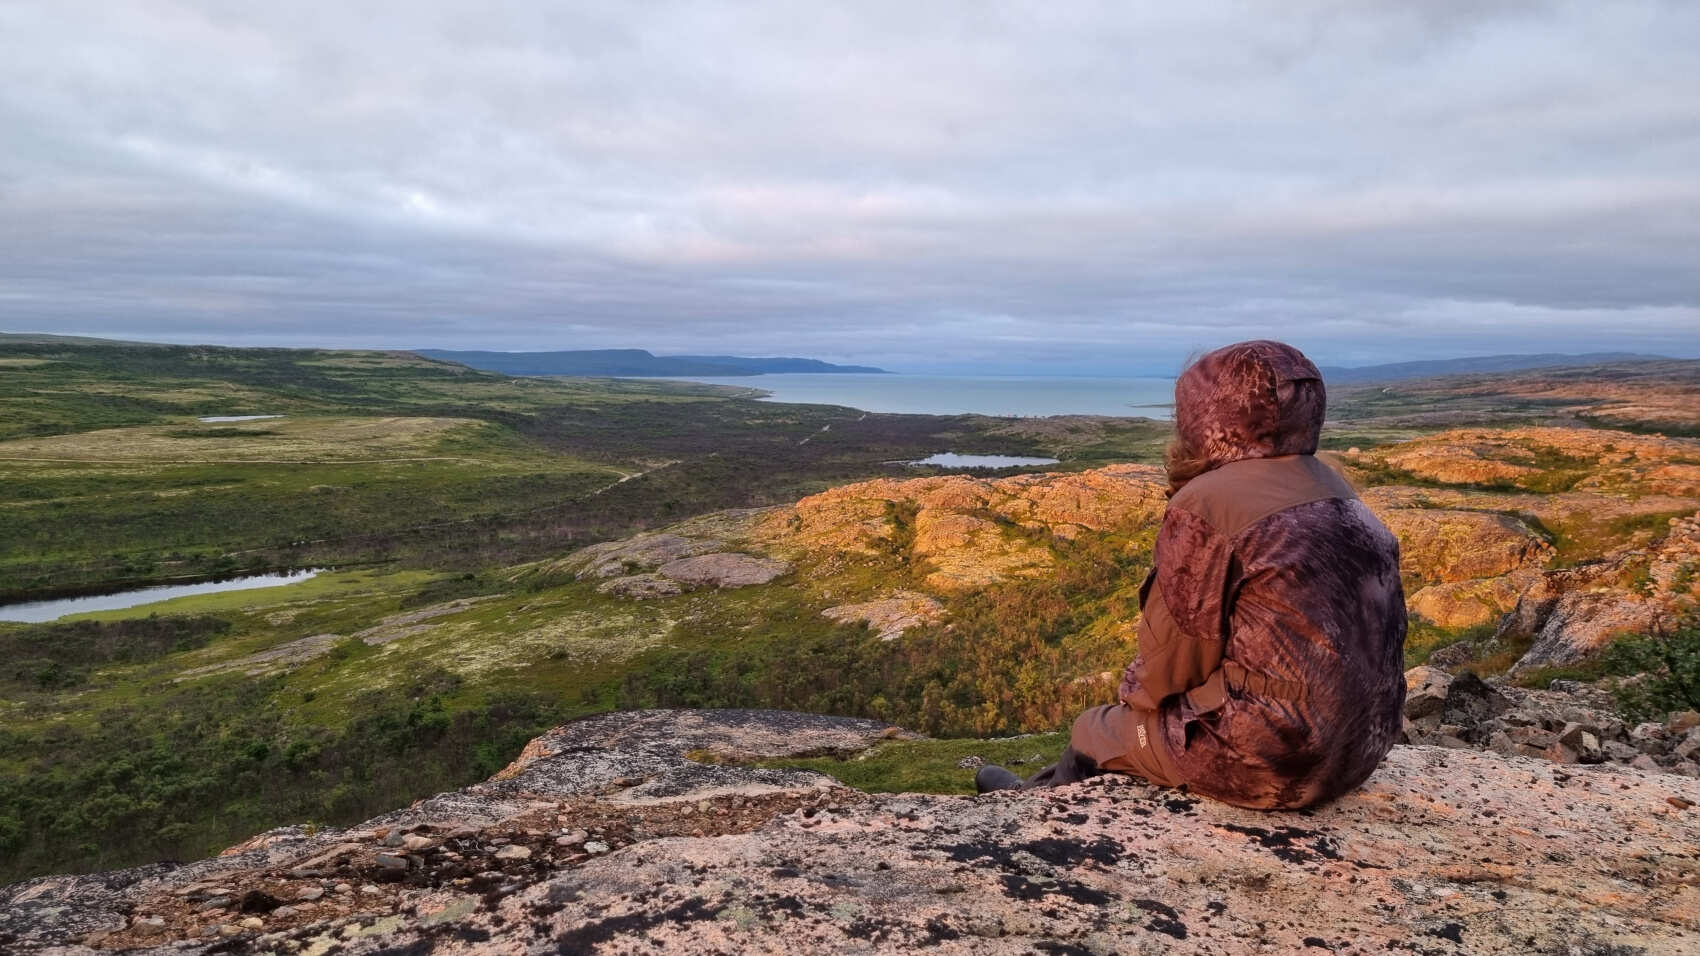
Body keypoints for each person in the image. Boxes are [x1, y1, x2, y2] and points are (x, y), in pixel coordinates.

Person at [976, 340, 1407, 810]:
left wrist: (1133, 705)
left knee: (1094, 728)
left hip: (1271, 759)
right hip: (1362, 746)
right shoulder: (1339, 491)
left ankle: (1031, 811)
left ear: (1204, 417)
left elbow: (1169, 665)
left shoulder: (1208, 502)